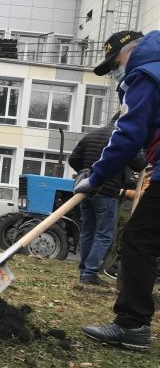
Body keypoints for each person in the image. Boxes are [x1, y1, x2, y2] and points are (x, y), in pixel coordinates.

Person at [73, 29, 160, 350]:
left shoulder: (145, 74)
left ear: (131, 50)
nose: (115, 72)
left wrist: (95, 179)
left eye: (115, 63)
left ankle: (132, 326)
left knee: (139, 242)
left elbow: (127, 136)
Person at [68, 113, 146, 286]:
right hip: (107, 191)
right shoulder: (125, 138)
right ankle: (90, 272)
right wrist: (142, 145)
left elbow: (73, 159)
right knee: (104, 235)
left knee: (88, 231)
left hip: (85, 190)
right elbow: (139, 164)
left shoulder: (92, 134)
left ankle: (84, 270)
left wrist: (88, 171)